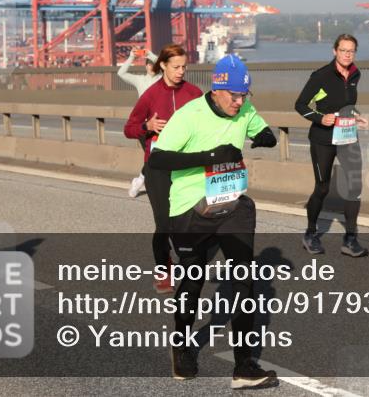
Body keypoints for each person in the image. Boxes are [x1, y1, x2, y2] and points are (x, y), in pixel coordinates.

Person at [148, 54, 279, 387]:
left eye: (244, 95)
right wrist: (210, 157)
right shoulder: (189, 115)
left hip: (230, 205)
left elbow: (259, 127)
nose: (239, 102)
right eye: (233, 96)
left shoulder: (244, 109)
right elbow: (158, 160)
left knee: (244, 279)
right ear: (217, 89)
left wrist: (266, 135)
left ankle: (244, 367)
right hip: (190, 209)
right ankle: (181, 346)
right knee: (193, 279)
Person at [123, 44, 203, 294]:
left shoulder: (194, 93)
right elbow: (129, 128)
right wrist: (146, 127)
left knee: (189, 221)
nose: (181, 72)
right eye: (176, 67)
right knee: (165, 223)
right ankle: (164, 267)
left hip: (187, 167)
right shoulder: (151, 94)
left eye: (184, 67)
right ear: (164, 66)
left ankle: (188, 261)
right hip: (157, 168)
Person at [294, 34, 369, 257]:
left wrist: (355, 115)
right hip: (323, 139)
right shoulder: (321, 76)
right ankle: (310, 233)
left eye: (351, 51)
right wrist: (320, 118)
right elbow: (300, 105)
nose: (347, 54)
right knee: (323, 188)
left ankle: (350, 239)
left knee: (354, 187)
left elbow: (346, 104)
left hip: (348, 136)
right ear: (335, 51)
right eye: (343, 50)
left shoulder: (355, 74)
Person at [118, 48, 161, 197]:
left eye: (153, 64)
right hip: (144, 126)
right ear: (145, 66)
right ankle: (140, 180)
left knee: (156, 155)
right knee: (152, 156)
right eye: (149, 64)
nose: (151, 67)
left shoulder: (161, 79)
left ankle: (141, 180)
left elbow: (164, 64)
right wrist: (131, 57)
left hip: (160, 124)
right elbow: (121, 73)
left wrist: (150, 54)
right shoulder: (140, 80)